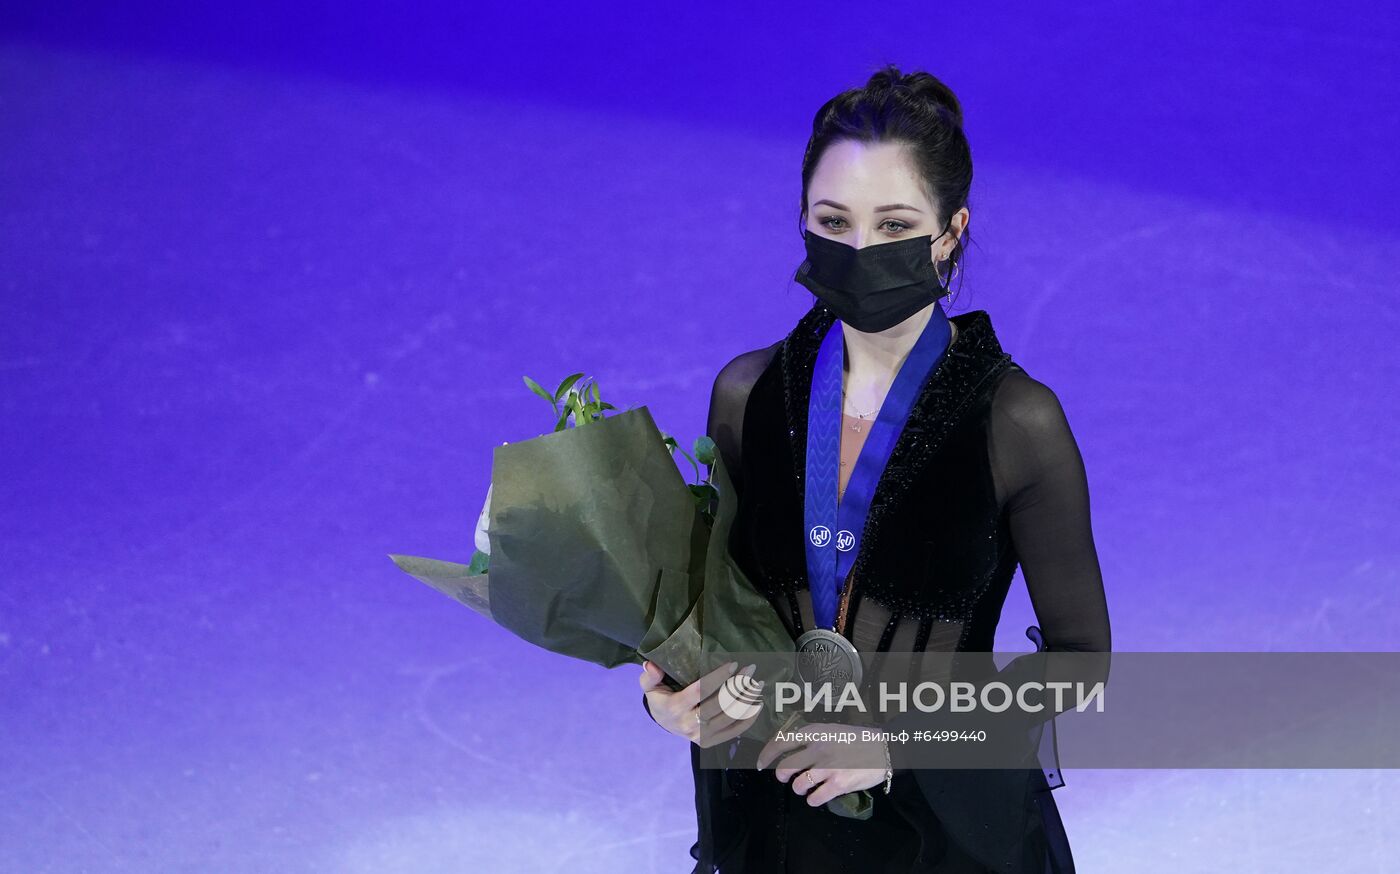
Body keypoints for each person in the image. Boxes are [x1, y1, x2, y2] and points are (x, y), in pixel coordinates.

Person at [638, 65, 1111, 873]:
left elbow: (1079, 661)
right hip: (774, 820)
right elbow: (706, 610)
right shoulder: (746, 395)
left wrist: (898, 742)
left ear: (950, 231)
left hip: (949, 836)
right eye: (834, 220)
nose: (860, 251)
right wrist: (668, 696)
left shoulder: (1016, 421)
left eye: (895, 226)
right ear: (803, 220)